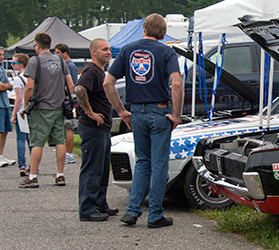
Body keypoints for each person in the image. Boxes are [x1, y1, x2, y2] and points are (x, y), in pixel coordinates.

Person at [103, 13, 183, 228]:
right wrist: (176, 114)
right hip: (159, 111)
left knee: (142, 163)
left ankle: (132, 211)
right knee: (159, 165)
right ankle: (155, 214)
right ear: (163, 32)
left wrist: (121, 111)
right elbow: (176, 84)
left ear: (144, 29)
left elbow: (108, 83)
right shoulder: (167, 51)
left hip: (136, 112)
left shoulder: (128, 50)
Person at [19, 32, 74, 188]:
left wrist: (25, 105)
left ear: (37, 45)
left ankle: (33, 176)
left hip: (41, 107)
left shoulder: (34, 61)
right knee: (60, 141)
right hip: (58, 106)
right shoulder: (60, 61)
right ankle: (60, 175)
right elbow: (70, 84)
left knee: (37, 142)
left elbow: (29, 86)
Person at [75, 38, 118, 221]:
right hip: (92, 127)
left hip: (103, 128)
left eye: (109, 49)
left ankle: (100, 204)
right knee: (92, 169)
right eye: (104, 49)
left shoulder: (101, 71)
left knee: (101, 168)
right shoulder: (91, 71)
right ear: (93, 52)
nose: (108, 52)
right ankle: (87, 209)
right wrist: (90, 112)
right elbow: (79, 90)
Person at [55, 43, 78, 164]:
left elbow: (72, 85)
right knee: (65, 127)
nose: (56, 55)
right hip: (64, 99)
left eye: (58, 53)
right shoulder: (64, 65)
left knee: (69, 126)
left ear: (65, 53)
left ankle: (69, 154)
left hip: (69, 100)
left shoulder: (70, 66)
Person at [10, 53, 32, 176]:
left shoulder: (18, 79)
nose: (12, 65)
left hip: (21, 111)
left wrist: (13, 115)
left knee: (20, 138)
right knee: (31, 139)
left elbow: (18, 98)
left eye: (14, 63)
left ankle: (22, 165)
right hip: (32, 110)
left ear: (21, 65)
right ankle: (33, 164)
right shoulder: (32, 77)